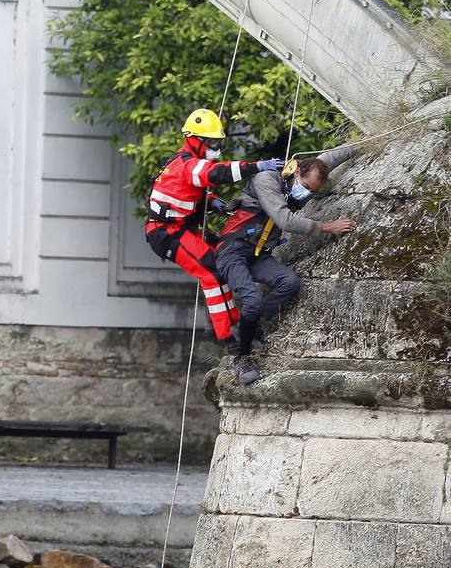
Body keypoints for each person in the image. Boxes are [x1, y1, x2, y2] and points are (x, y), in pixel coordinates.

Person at [216, 147, 358, 385]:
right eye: (306, 186)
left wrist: (358, 148)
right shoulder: (266, 180)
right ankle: (242, 359)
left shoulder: (307, 173)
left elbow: (329, 158)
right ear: (295, 173)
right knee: (251, 299)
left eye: (313, 191)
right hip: (233, 251)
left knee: (290, 283)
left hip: (259, 254)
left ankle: (252, 330)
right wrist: (327, 227)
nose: (307, 193)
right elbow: (284, 219)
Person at [145, 108, 286, 348]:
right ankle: (228, 336)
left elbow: (184, 193)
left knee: (223, 256)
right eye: (211, 142)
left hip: (181, 227)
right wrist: (257, 166)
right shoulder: (189, 165)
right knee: (211, 273)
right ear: (194, 140)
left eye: (217, 141)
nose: (215, 147)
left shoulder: (183, 163)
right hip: (167, 233)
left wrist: (213, 203)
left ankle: (236, 325)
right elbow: (217, 173)